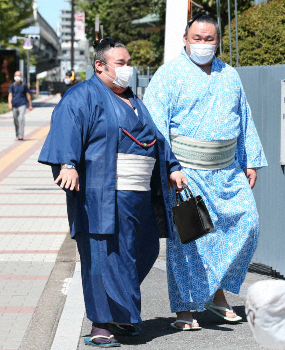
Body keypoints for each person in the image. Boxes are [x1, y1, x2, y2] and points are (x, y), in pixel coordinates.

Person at [38, 38, 187, 347]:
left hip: (138, 197)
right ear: (100, 65)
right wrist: (67, 163)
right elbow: (67, 129)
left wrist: (172, 166)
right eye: (120, 63)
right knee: (103, 258)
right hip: (101, 194)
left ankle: (122, 316)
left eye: (128, 62)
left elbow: (155, 138)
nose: (127, 68)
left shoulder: (134, 99)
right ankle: (101, 324)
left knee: (141, 252)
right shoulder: (81, 96)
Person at [144, 14, 268, 330]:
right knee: (191, 239)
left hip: (227, 170)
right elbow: (154, 124)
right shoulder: (168, 75)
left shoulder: (230, 75)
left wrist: (249, 160)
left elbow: (244, 119)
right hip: (186, 173)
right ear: (185, 39)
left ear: (217, 41)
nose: (202, 44)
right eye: (197, 38)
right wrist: (168, 167)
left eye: (208, 39)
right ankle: (185, 309)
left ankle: (215, 294)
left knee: (247, 224)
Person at [8, 71, 33, 140]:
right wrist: (10, 103)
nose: (17, 77)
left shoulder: (24, 85)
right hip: (14, 105)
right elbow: (10, 95)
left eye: (18, 75)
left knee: (21, 118)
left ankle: (21, 135)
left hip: (22, 104)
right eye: (16, 75)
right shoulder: (12, 85)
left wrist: (30, 104)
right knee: (15, 120)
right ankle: (17, 135)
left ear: (21, 77)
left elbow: (28, 94)